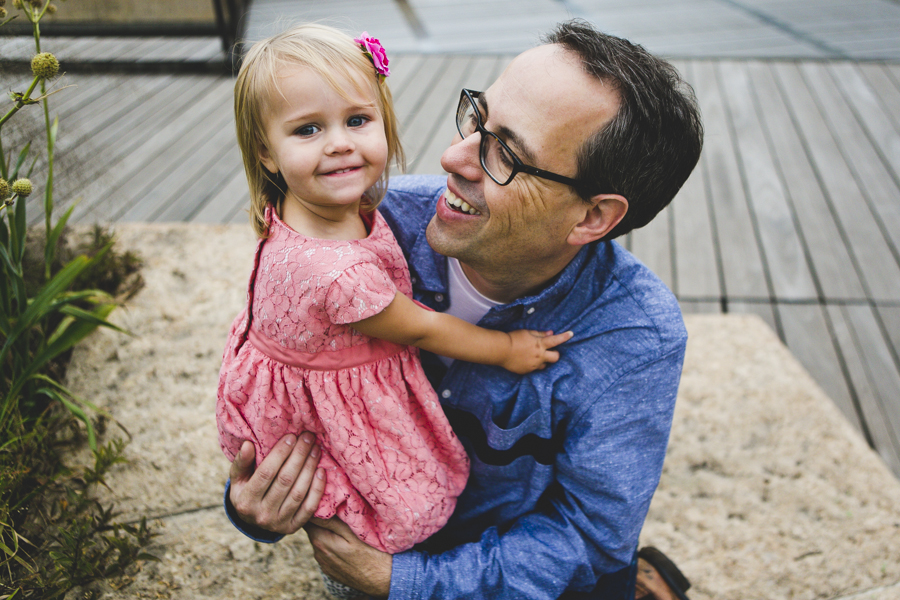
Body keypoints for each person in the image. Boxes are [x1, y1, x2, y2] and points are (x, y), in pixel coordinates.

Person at [224, 19, 703, 600]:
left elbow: (590, 533)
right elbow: (278, 378)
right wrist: (254, 501)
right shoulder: (367, 228)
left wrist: (404, 583)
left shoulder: (633, 338)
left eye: (504, 153)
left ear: (591, 218)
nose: (453, 156)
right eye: (477, 118)